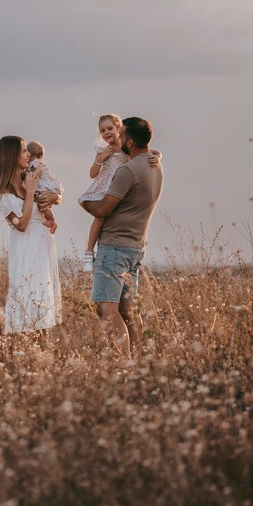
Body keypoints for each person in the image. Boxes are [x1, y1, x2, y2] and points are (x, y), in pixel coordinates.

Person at [80, 116, 163, 355]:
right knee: (127, 309)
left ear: (130, 141)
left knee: (107, 309)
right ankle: (140, 363)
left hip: (115, 247)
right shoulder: (154, 164)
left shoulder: (128, 170)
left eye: (122, 133)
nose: (118, 136)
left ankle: (124, 365)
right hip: (135, 247)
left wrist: (85, 204)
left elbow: (104, 208)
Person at [0, 135, 62, 335]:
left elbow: (54, 196)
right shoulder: (3, 195)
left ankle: (41, 360)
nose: (28, 154)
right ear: (11, 156)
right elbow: (21, 224)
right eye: (23, 151)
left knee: (43, 304)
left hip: (42, 247)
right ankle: (26, 357)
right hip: (25, 249)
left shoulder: (30, 180)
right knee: (27, 300)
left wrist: (55, 197)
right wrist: (30, 193)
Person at [78, 114, 161, 271]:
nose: (106, 132)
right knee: (100, 217)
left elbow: (150, 151)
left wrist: (157, 157)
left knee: (119, 215)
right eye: (102, 130)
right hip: (106, 187)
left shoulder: (125, 147)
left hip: (122, 187)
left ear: (119, 129)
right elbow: (92, 174)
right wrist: (101, 158)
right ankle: (89, 253)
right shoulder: (102, 150)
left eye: (110, 128)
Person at [25, 139, 61, 233]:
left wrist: (31, 176)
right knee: (43, 206)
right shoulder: (35, 163)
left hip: (45, 188)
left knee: (43, 206)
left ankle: (51, 220)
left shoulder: (36, 163)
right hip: (46, 188)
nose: (28, 157)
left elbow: (37, 172)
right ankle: (50, 220)